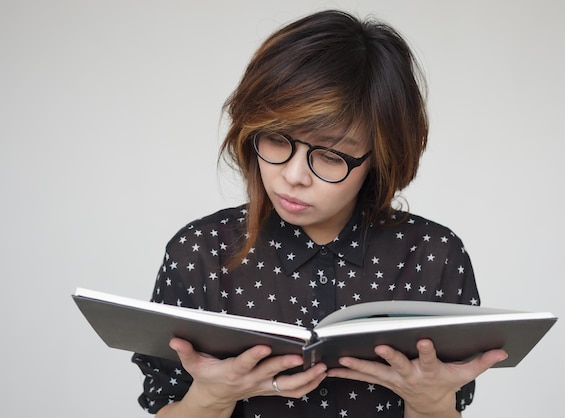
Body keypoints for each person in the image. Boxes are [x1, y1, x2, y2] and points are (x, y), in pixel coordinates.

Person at [132, 9, 507, 418]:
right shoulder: (200, 253)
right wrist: (213, 398)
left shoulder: (434, 256)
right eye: (276, 139)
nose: (293, 177)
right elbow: (166, 402)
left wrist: (430, 404)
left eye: (329, 156)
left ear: (379, 158)